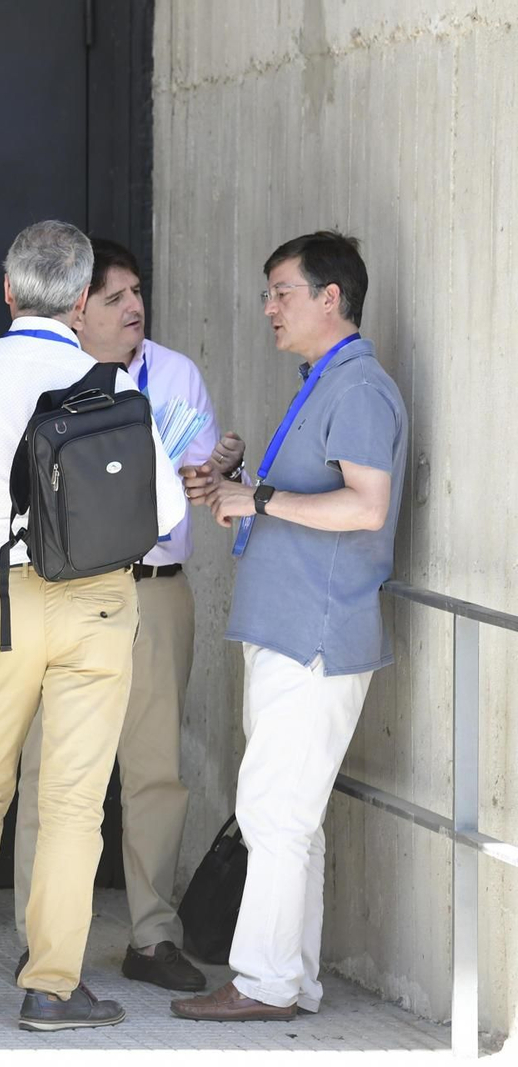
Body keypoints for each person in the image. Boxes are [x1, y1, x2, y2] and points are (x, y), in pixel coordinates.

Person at [0, 220, 185, 1031]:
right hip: (100, 601)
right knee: (73, 800)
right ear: (83, 295)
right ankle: (53, 987)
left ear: (9, 290)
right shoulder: (112, 381)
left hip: (5, 594)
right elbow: (161, 511)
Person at [172, 232, 406, 1022]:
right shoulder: (323, 383)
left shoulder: (360, 389)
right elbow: (301, 506)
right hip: (289, 629)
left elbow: (366, 506)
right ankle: (289, 979)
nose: (269, 307)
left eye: (282, 292)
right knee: (288, 818)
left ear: (329, 297)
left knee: (275, 810)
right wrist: (237, 489)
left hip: (316, 633)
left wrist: (261, 500)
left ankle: (263, 981)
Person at [12, 238, 217, 993]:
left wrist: (213, 469)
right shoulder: (39, 377)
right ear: (76, 309)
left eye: (138, 292)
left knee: (155, 769)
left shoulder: (176, 373)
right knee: (50, 767)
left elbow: (200, 470)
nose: (134, 307)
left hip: (156, 589)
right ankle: (42, 938)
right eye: (115, 297)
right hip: (64, 590)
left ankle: (153, 934)